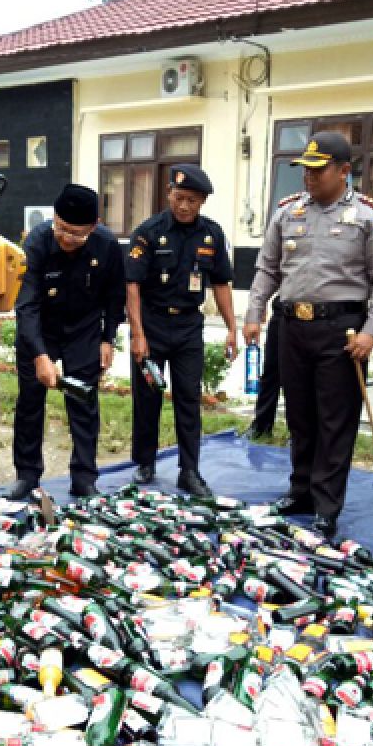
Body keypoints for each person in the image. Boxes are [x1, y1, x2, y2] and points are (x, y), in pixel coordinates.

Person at [243, 132, 373, 537]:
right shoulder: (287, 213)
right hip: (292, 326)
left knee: (334, 420)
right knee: (300, 415)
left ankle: (327, 505)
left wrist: (370, 331)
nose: (308, 177)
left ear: (344, 171)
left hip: (342, 330)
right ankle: (301, 491)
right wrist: (254, 313)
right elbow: (267, 268)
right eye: (305, 169)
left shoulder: (371, 217)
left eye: (318, 169)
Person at [5, 184, 125, 500]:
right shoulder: (37, 242)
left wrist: (107, 338)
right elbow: (26, 304)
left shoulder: (107, 245)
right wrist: (40, 356)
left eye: (76, 233)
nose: (66, 238)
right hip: (40, 327)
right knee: (30, 401)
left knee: (83, 402)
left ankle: (84, 478)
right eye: (61, 228)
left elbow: (114, 296)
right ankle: (28, 476)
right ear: (54, 218)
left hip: (84, 329)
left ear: (95, 225)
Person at [127, 163, 238, 498]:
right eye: (179, 197)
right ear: (169, 194)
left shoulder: (212, 234)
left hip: (189, 327)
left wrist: (232, 328)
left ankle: (189, 471)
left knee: (188, 399)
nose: (184, 205)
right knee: (147, 398)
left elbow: (221, 283)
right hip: (153, 325)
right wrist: (137, 334)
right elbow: (131, 284)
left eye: (191, 199)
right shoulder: (149, 232)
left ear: (202, 201)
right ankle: (145, 462)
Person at [243, 295, 282, 440]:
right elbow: (268, 275)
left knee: (300, 378)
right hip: (283, 311)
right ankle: (261, 425)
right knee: (270, 372)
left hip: (314, 316)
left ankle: (299, 433)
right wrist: (258, 310)